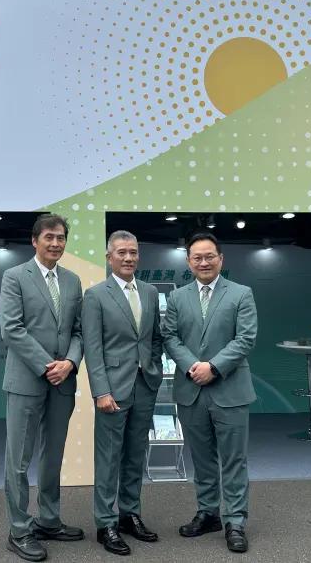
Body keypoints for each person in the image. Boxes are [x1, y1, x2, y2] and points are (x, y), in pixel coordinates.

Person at [161, 233, 258, 554]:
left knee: (234, 460)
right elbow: (169, 336)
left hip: (230, 389)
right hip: (191, 389)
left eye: (209, 256)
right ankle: (208, 512)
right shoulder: (177, 298)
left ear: (221, 259)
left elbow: (245, 339)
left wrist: (213, 367)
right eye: (197, 258)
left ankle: (235, 521)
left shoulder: (241, 294)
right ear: (189, 262)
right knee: (202, 459)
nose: (204, 262)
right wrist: (193, 366)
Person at [0, 213, 84, 561]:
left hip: (63, 382)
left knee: (52, 456)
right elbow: (11, 328)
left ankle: (49, 520)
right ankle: (19, 529)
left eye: (61, 237)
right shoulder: (15, 276)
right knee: (18, 460)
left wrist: (70, 362)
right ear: (34, 241)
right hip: (27, 380)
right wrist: (48, 365)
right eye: (49, 237)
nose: (55, 243)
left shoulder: (73, 281)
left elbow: (78, 331)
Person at [82, 231, 163, 556]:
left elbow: (154, 337)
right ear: (109, 257)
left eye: (133, 252)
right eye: (121, 253)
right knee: (108, 457)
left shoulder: (150, 291)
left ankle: (129, 514)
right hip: (112, 390)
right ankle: (106, 523)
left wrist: (154, 367)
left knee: (135, 454)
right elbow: (92, 347)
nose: (128, 258)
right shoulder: (95, 295)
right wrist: (100, 391)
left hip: (144, 385)